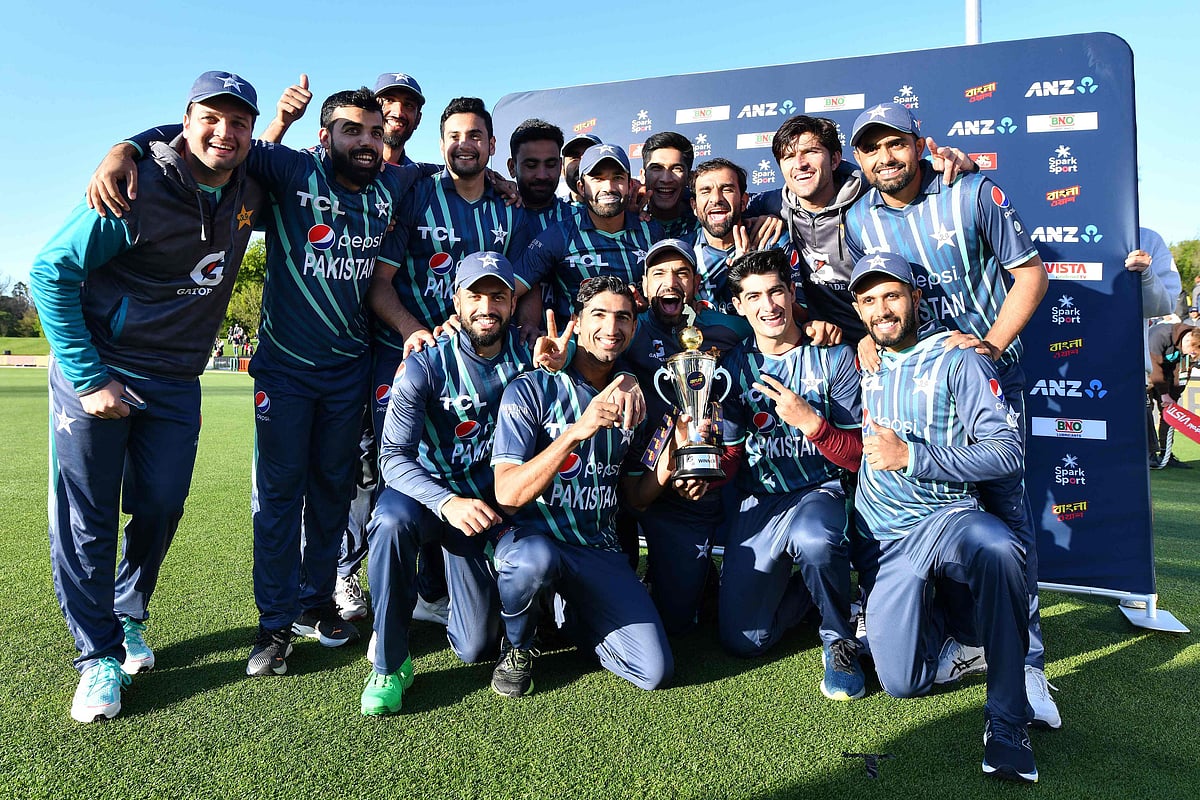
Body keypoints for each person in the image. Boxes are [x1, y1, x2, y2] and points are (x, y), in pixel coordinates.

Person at [31, 71, 264, 722]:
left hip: (175, 379)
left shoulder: (251, 185)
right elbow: (50, 271)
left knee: (160, 504)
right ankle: (98, 658)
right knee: (88, 520)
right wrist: (87, 376)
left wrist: (124, 141)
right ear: (186, 119)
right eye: (211, 117)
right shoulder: (136, 186)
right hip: (100, 370)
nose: (225, 131)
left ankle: (129, 611)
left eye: (238, 121)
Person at [842, 102, 1058, 729]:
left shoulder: (969, 190)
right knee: (934, 517)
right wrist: (870, 337)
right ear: (859, 159)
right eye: (871, 149)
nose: (886, 158)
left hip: (984, 377)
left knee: (1008, 526)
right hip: (916, 382)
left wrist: (989, 343)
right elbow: (874, 292)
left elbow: (1030, 276)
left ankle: (1027, 667)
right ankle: (951, 639)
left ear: (919, 143)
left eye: (896, 144)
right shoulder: (859, 218)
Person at [848, 252, 1035, 783]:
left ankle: (1006, 721)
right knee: (904, 683)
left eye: (892, 296)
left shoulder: (960, 359)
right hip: (885, 542)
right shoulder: (866, 360)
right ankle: (951, 637)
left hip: (947, 520)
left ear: (916, 298)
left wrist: (913, 456)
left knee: (997, 547)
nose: (881, 309)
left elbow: (1005, 453)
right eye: (868, 300)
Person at [488, 276, 679, 697]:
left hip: (597, 547)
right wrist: (577, 431)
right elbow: (508, 494)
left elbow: (633, 498)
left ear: (634, 327)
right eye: (599, 315)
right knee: (532, 561)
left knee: (654, 671)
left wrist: (666, 468)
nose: (611, 328)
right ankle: (518, 646)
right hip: (532, 540)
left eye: (623, 318)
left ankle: (572, 617)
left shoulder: (636, 394)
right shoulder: (531, 388)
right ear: (576, 320)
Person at [362, 252, 528, 714]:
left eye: (498, 296)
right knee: (390, 520)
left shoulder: (529, 353)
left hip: (488, 509)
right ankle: (390, 662)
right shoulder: (424, 364)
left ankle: (438, 594)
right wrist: (446, 501)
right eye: (475, 295)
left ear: (513, 303)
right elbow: (392, 458)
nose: (486, 307)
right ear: (455, 301)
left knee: (475, 648)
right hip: (432, 500)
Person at [717, 249, 865, 700]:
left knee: (816, 540)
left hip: (816, 492)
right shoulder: (730, 369)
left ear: (792, 291)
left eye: (777, 291)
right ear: (739, 306)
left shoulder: (834, 357)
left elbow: (859, 457)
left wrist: (812, 423)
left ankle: (839, 638)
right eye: (754, 296)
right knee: (744, 642)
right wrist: (700, 445)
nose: (769, 306)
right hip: (758, 501)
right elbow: (726, 462)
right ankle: (808, 593)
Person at [746, 114, 978, 346]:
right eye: (788, 157)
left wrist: (962, 166)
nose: (800, 164)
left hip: (888, 336)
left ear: (835, 159)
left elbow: (911, 176)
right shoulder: (773, 204)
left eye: (811, 152)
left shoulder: (872, 195)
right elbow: (724, 211)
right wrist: (758, 218)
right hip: (826, 343)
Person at [616, 238, 750, 633]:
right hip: (639, 482)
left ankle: (696, 575)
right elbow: (588, 352)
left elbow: (773, 326)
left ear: (694, 283)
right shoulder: (628, 328)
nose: (669, 281)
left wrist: (814, 325)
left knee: (677, 620)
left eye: (681, 273)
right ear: (642, 284)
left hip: (692, 484)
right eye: (658, 273)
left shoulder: (721, 329)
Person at [514, 143, 664, 327]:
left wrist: (647, 302)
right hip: (581, 350)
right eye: (597, 179)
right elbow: (512, 287)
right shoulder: (559, 235)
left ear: (629, 184)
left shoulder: (652, 232)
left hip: (643, 347)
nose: (608, 187)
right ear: (581, 187)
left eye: (617, 177)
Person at [689, 158, 789, 315]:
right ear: (694, 206)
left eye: (727, 189)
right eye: (706, 191)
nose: (716, 199)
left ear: (743, 202)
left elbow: (800, 311)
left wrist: (750, 274)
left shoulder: (774, 242)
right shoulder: (683, 251)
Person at [1147, 322, 1200, 469]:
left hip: (1166, 374)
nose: (1193, 355)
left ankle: (1166, 453)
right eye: (1193, 352)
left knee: (1170, 412)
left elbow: (1182, 374)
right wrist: (1164, 394)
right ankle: (1149, 453)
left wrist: (1173, 398)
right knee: (1146, 409)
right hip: (1145, 372)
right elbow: (1154, 369)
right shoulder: (1161, 335)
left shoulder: (1189, 349)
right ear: (1188, 340)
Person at [640, 132, 699, 241]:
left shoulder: (704, 225)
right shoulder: (629, 221)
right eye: (657, 168)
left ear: (689, 178)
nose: (666, 179)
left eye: (676, 169)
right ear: (643, 175)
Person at [558, 132, 601, 204]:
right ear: (562, 169)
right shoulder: (551, 212)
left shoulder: (623, 209)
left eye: (590, 156)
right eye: (575, 158)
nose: (582, 163)